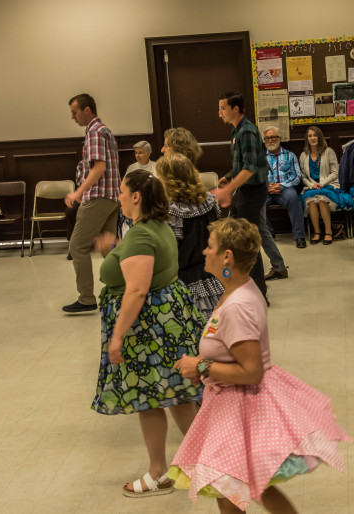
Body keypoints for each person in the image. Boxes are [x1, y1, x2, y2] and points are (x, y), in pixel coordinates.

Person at [169, 218, 350, 513]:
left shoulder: (238, 305)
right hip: (230, 403)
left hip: (239, 407)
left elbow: (251, 371)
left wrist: (201, 366)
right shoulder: (237, 290)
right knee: (240, 489)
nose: (204, 251)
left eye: (210, 246)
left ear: (227, 256)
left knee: (239, 488)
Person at [91, 170, 204, 496]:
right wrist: (116, 247)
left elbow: (137, 290)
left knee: (150, 400)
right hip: (163, 323)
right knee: (177, 397)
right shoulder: (153, 227)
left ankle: (160, 471)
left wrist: (117, 337)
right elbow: (138, 258)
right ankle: (204, 460)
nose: (120, 197)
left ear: (137, 196)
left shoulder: (141, 235)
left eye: (123, 192)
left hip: (147, 331)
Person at [62, 93, 121, 313]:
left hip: (98, 197)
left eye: (74, 112)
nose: (72, 117)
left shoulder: (95, 132)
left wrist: (78, 193)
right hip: (112, 197)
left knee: (77, 246)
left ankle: (86, 298)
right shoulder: (105, 130)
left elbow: (99, 167)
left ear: (87, 110)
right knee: (109, 247)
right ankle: (125, 287)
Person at [213, 92, 269, 299]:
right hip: (242, 191)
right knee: (234, 240)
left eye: (222, 108)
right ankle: (242, 285)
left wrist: (227, 190)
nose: (219, 113)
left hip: (253, 192)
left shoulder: (246, 131)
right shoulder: (236, 130)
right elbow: (240, 166)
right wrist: (228, 178)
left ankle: (259, 293)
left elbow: (251, 168)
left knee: (246, 243)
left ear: (235, 109)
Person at [156, 153, 224, 320]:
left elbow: (168, 254)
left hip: (183, 282)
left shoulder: (170, 212)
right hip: (214, 276)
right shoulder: (209, 201)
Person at [299, 126, 349, 245]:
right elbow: (303, 176)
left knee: (321, 199)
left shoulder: (329, 151)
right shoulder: (303, 155)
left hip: (329, 185)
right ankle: (317, 232)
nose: (313, 138)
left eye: (315, 135)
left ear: (320, 137)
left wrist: (322, 183)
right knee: (311, 200)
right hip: (312, 187)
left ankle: (328, 232)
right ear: (307, 138)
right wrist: (312, 185)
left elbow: (335, 173)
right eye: (310, 136)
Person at [263, 126, 306, 251]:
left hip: (285, 189)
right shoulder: (260, 158)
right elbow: (255, 176)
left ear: (279, 139)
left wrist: (281, 185)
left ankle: (299, 236)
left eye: (273, 137)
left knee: (293, 198)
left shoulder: (290, 155)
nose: (270, 141)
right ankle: (269, 233)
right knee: (254, 203)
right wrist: (266, 187)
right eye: (267, 138)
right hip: (267, 191)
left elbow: (297, 176)